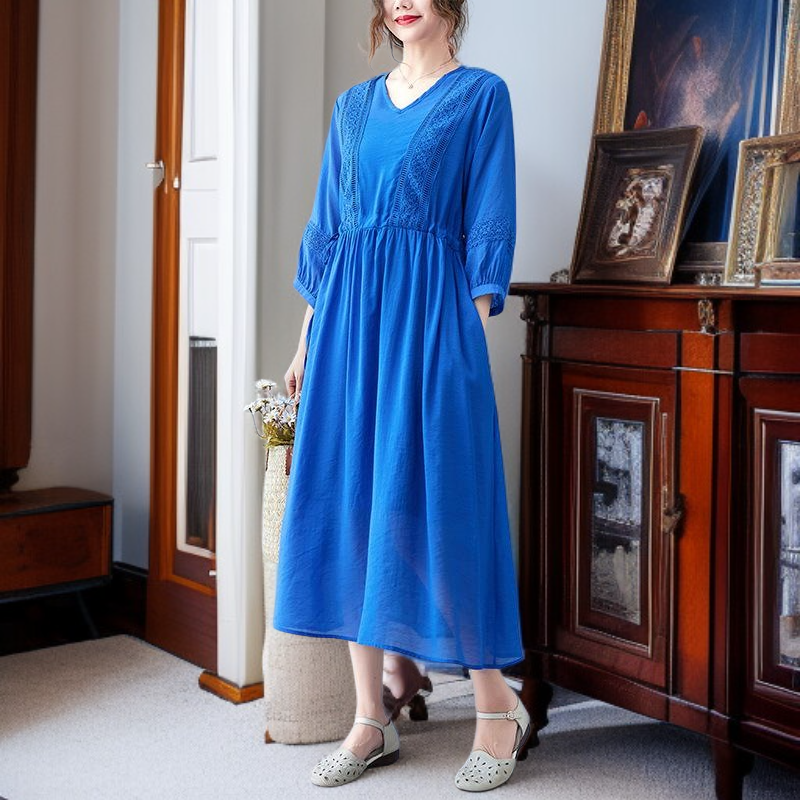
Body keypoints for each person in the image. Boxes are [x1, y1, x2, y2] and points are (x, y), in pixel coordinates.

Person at [273, 0, 530, 790]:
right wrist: (305, 341)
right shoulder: (353, 108)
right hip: (348, 331)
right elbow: (329, 230)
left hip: (431, 328)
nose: (401, 1)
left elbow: (489, 219)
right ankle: (370, 717)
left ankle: (497, 705)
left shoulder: (480, 95)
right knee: (352, 508)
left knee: (443, 512)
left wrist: (462, 337)